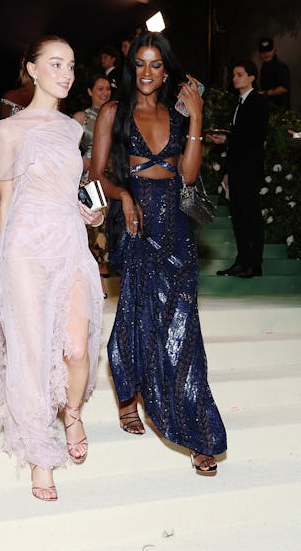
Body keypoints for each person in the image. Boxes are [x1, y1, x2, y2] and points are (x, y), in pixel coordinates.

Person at [0, 35, 104, 502]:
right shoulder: (9, 132)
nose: (66, 73)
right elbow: (8, 203)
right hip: (26, 248)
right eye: (55, 64)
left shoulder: (74, 130)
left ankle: (71, 411)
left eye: (71, 65)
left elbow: (67, 190)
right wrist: (2, 269)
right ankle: (41, 456)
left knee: (77, 349)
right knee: (35, 353)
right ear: (31, 69)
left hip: (70, 242)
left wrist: (89, 214)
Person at [90, 31, 227, 475]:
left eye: (156, 65)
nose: (147, 73)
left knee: (183, 328)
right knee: (136, 313)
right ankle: (129, 394)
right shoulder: (114, 112)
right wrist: (125, 198)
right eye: (140, 64)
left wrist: (198, 119)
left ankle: (200, 435)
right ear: (131, 68)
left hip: (178, 229)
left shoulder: (179, 114)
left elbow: (187, 175)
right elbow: (96, 176)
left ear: (166, 70)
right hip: (136, 224)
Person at [208, 58, 268, 278]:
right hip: (237, 168)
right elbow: (237, 140)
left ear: (252, 77)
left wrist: (226, 140)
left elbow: (255, 136)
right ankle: (243, 261)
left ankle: (254, 263)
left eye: (240, 74)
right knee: (239, 216)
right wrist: (226, 171)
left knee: (250, 215)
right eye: (234, 75)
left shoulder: (258, 102)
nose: (235, 78)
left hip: (249, 169)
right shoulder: (239, 103)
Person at [73, 73, 113, 297]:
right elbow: (68, 152)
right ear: (90, 91)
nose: (105, 93)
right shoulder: (81, 117)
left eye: (108, 89)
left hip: (112, 179)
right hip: (88, 181)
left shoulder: (116, 114)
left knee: (109, 229)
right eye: (100, 89)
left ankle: (101, 279)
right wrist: (83, 161)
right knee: (96, 230)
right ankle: (98, 283)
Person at [257, 37, 290, 110]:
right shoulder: (264, 67)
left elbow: (284, 88)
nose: (266, 54)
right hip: (268, 108)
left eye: (269, 50)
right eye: (263, 52)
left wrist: (264, 93)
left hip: (281, 110)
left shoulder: (281, 67)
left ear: (274, 49)